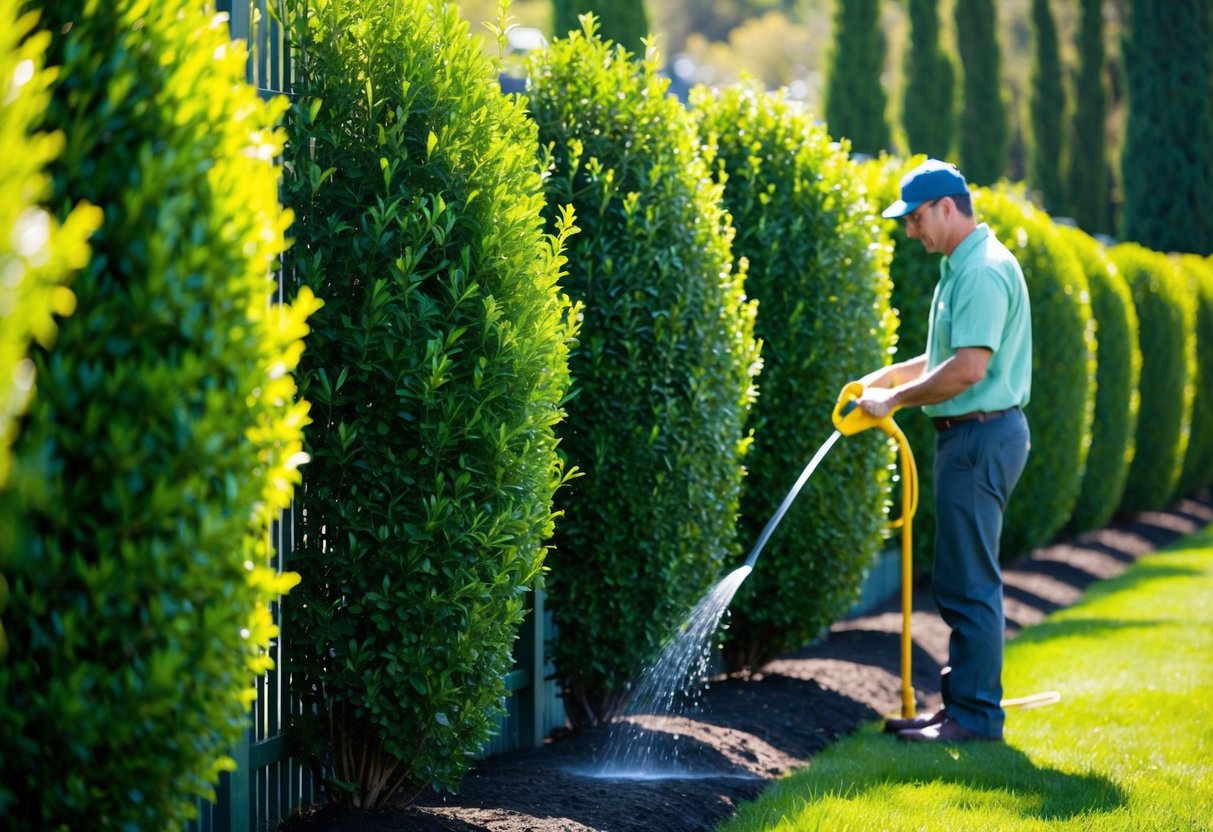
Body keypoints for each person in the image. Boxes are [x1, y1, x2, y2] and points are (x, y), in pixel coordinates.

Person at [850, 158, 1032, 743]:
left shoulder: (979, 271)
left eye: (915, 218)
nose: (910, 231)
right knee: (957, 578)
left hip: (979, 435)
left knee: (970, 581)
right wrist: (881, 381)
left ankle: (976, 718)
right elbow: (941, 360)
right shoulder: (960, 268)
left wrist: (895, 401)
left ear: (946, 208)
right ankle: (961, 708)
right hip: (971, 437)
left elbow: (969, 370)